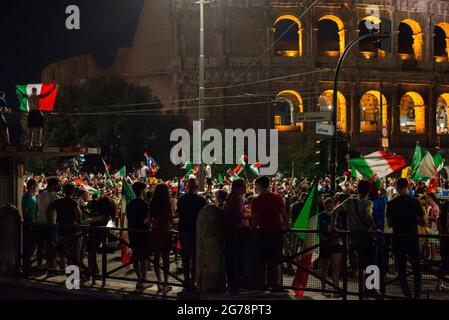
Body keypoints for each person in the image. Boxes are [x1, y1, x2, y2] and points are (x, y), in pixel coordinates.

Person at [332, 180, 378, 297]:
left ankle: (364, 289)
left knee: (360, 265)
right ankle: (368, 288)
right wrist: (373, 227)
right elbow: (367, 214)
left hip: (353, 238)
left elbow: (334, 211)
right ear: (368, 190)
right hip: (366, 237)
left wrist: (333, 226)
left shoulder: (349, 201)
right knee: (371, 264)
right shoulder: (368, 203)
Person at [386, 178, 425, 299]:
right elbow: (423, 221)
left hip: (398, 239)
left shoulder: (391, 204)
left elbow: (389, 224)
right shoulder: (415, 202)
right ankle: (417, 294)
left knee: (401, 268)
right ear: (407, 186)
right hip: (412, 238)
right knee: (416, 267)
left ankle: (406, 293)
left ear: (396, 187)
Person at [251, 176, 289, 291]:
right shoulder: (277, 198)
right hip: (276, 232)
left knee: (262, 260)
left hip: (263, 232)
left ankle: (262, 284)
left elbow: (254, 219)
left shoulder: (256, 200)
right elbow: (284, 215)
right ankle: (274, 284)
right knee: (275, 260)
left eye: (256, 185)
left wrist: (253, 230)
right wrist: (287, 228)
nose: (255, 187)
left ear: (259, 186)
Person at [176, 178, 207, 290]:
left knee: (185, 256)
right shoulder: (201, 200)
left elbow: (179, 213)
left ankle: (186, 279)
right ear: (196, 187)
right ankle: (193, 280)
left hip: (184, 229)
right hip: (195, 230)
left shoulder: (181, 199)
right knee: (195, 256)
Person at [46, 183, 82, 270]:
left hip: (61, 227)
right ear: (73, 191)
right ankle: (71, 272)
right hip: (72, 229)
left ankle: (62, 268)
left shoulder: (58, 201)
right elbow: (79, 214)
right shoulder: (73, 202)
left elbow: (48, 210)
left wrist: (51, 221)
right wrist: (77, 221)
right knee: (73, 251)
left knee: (61, 249)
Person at [223, 178, 250, 288]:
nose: (246, 188)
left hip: (233, 231)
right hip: (235, 232)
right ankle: (235, 281)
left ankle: (233, 280)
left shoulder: (235, 198)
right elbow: (239, 215)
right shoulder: (236, 199)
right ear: (238, 188)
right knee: (236, 257)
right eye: (244, 186)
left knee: (234, 258)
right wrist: (252, 215)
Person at [83, 196, 116, 278]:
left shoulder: (103, 215)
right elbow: (92, 216)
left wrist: (84, 221)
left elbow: (92, 220)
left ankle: (95, 272)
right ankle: (92, 271)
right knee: (91, 253)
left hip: (96, 234)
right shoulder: (104, 213)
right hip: (96, 234)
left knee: (91, 253)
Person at [149, 183, 173, 292]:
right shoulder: (167, 203)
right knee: (166, 257)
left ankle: (158, 281)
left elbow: (149, 219)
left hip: (155, 230)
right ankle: (165, 282)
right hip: (164, 230)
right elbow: (170, 219)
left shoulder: (152, 203)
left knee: (156, 257)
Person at [126, 182, 150, 290]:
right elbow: (147, 220)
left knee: (135, 256)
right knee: (143, 257)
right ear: (141, 190)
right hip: (142, 233)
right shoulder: (144, 204)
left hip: (132, 232)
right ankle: (143, 280)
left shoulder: (130, 204)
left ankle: (139, 278)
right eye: (144, 190)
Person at [318, 197, 341, 297]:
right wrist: (325, 239)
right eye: (327, 203)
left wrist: (335, 238)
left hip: (335, 244)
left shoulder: (337, 216)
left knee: (335, 266)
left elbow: (341, 229)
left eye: (331, 203)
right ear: (324, 205)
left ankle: (336, 289)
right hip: (324, 244)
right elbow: (317, 231)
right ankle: (323, 288)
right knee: (324, 267)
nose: (329, 205)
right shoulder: (320, 216)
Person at [36, 177, 60, 268]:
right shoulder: (55, 197)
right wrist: (52, 223)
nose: (60, 186)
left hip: (39, 222)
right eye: (58, 184)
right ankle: (51, 266)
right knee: (51, 246)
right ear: (54, 185)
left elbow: (37, 209)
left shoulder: (41, 195)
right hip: (49, 224)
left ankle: (38, 265)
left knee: (40, 246)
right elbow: (49, 211)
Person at [22, 179, 39, 271]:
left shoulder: (34, 196)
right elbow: (25, 211)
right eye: (36, 185)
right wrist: (29, 222)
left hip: (34, 223)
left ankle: (29, 265)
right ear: (32, 186)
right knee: (29, 246)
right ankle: (26, 266)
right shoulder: (27, 197)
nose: (37, 187)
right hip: (30, 224)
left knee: (33, 246)